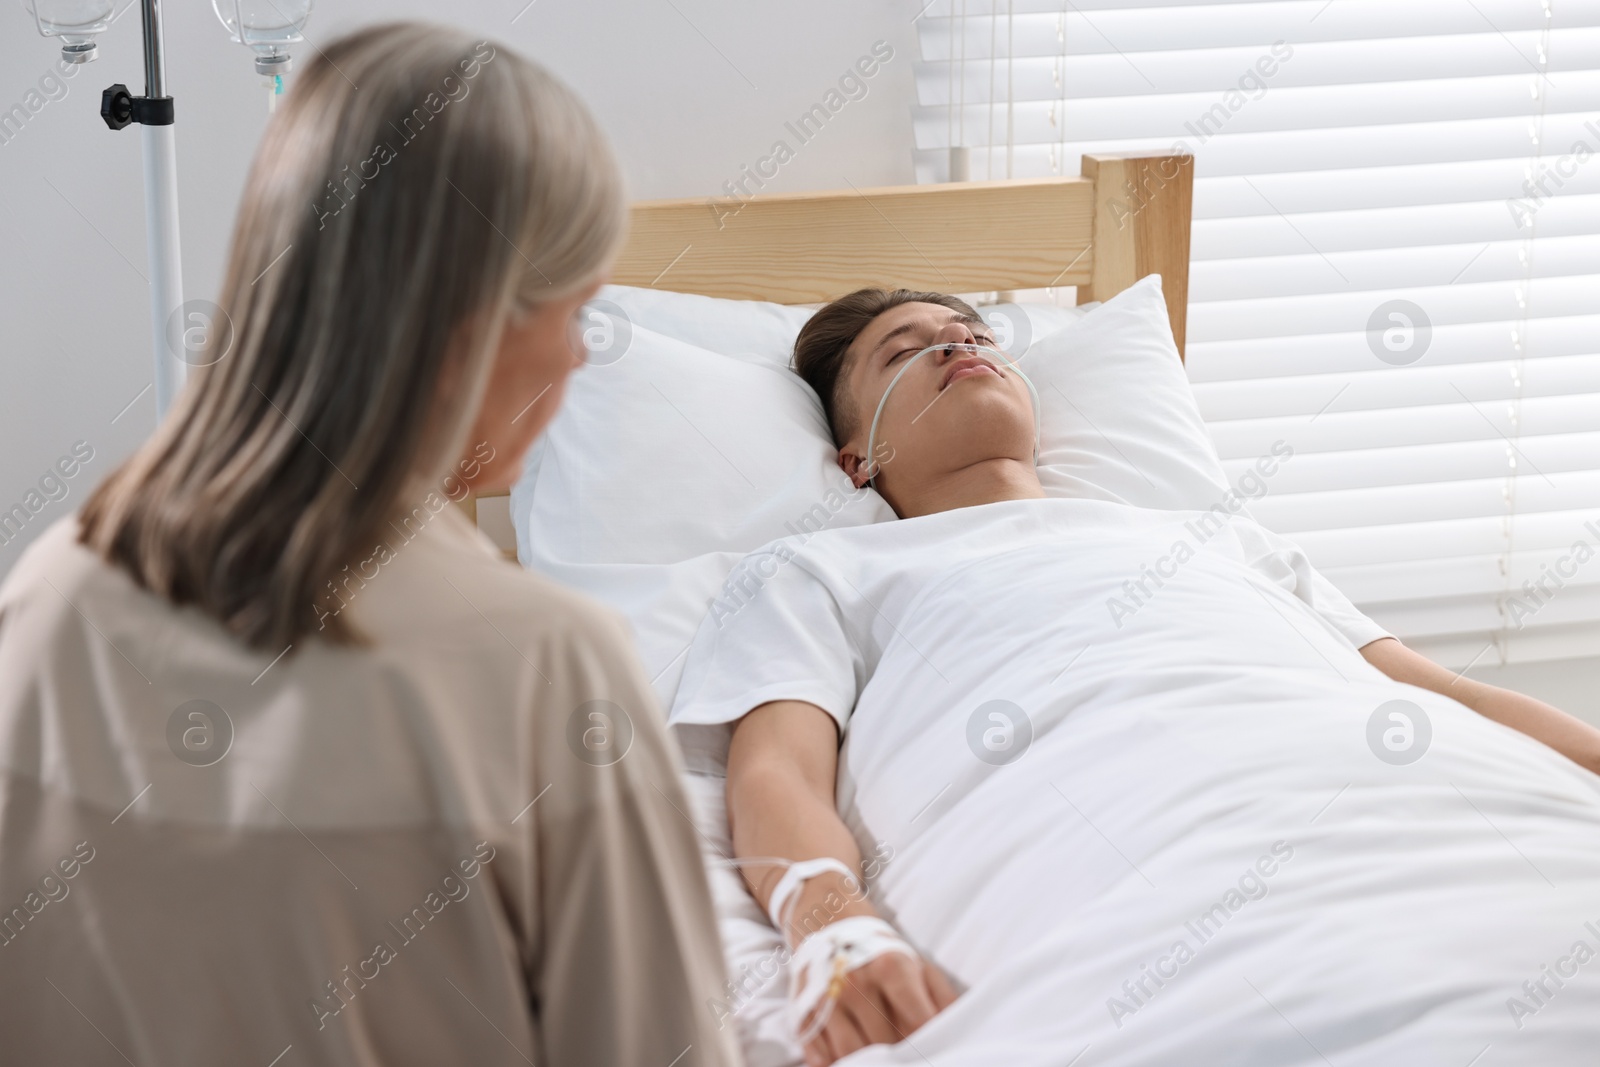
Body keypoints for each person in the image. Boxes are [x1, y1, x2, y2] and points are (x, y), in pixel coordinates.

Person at [0, 23, 737, 1067]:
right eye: (576, 308)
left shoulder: (45, 599)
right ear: (468, 329)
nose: (579, 353)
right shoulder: (547, 669)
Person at [668, 288, 1600, 1067]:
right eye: (902, 353)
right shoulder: (822, 572)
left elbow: (1451, 696)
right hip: (1106, 835)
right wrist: (830, 922)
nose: (957, 343)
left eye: (971, 333)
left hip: (1421, 798)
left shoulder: (1218, 537)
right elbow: (773, 774)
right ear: (856, 459)